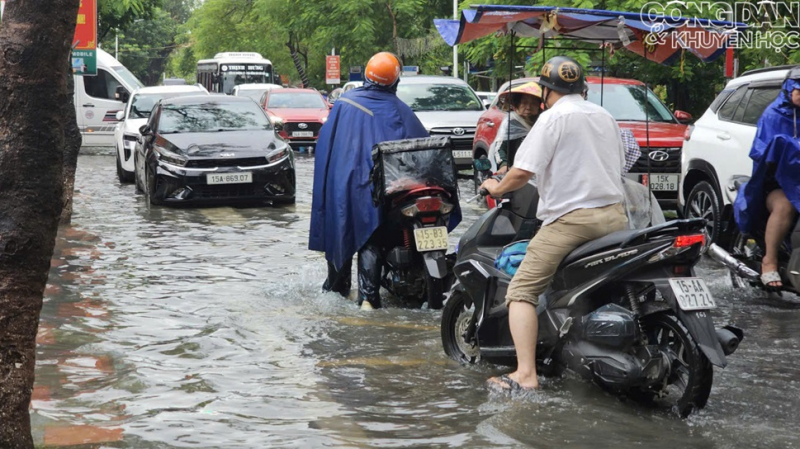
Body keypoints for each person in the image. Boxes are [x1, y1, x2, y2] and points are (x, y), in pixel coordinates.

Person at [480, 56, 628, 391]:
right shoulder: (604, 116)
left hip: (572, 222)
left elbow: (522, 172)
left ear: (546, 91)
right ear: (581, 88)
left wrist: (496, 187)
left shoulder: (552, 118)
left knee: (521, 290)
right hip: (616, 218)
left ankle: (525, 374)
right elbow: (619, 164)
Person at [309, 52, 429, 310]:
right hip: (382, 188)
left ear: (366, 75)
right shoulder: (400, 109)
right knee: (371, 236)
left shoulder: (345, 103)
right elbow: (423, 149)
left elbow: (326, 148)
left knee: (340, 229)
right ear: (395, 81)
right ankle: (368, 300)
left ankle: (338, 290)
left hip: (344, 185)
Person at [734, 67, 800, 288]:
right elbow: (761, 151)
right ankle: (769, 261)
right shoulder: (773, 115)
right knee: (785, 205)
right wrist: (785, 151)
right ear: (789, 89)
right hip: (774, 183)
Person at [488, 82, 543, 174]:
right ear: (516, 105)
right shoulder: (511, 122)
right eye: (524, 103)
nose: (528, 107)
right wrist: (504, 165)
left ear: (539, 106)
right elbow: (500, 148)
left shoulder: (544, 122)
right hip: (515, 171)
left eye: (533, 103)